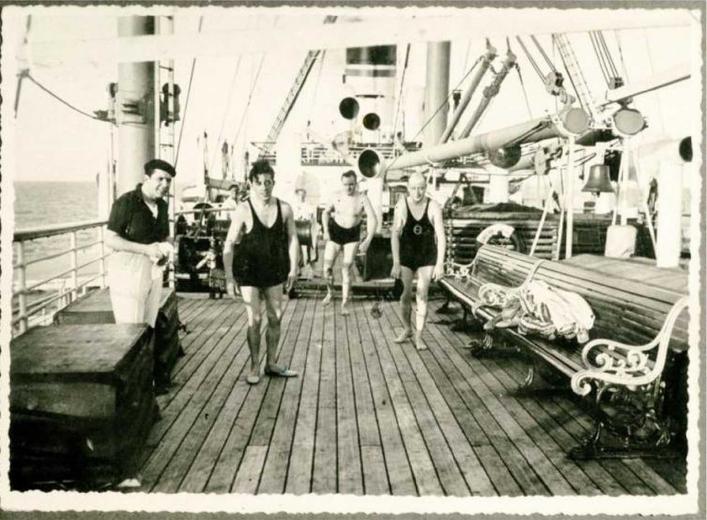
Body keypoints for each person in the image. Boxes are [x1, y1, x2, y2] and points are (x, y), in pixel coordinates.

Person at [223, 160, 299, 385]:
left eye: (268, 182)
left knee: (275, 318)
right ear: (251, 184)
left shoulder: (285, 208)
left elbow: (293, 238)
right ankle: (255, 365)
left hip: (274, 269)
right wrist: (229, 277)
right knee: (254, 319)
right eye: (259, 183)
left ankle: (271, 363)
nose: (264, 187)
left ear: (273, 183)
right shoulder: (243, 209)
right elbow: (229, 244)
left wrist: (294, 267)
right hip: (249, 272)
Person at [105, 158, 175, 329]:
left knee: (148, 323)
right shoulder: (127, 202)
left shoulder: (162, 206)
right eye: (160, 179)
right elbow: (110, 239)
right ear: (146, 178)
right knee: (130, 326)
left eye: (168, 180)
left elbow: (164, 236)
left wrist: (166, 249)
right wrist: (146, 249)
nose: (165, 184)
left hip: (154, 269)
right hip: (128, 269)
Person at [390, 172, 446, 350]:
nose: (417, 192)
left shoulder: (433, 206)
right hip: (407, 255)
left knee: (422, 294)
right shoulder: (402, 205)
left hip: (426, 255)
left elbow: (441, 236)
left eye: (421, 188)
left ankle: (419, 336)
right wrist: (396, 262)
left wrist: (440, 263)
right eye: (413, 188)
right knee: (405, 294)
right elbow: (394, 235)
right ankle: (407, 328)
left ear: (425, 188)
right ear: (408, 188)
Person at [321, 170, 377, 315]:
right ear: (342, 184)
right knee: (327, 268)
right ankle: (330, 292)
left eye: (351, 184)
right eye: (346, 184)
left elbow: (373, 218)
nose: (348, 187)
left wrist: (368, 239)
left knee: (346, 269)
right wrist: (325, 230)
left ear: (356, 183)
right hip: (335, 233)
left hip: (352, 235)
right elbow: (325, 213)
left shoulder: (362, 198)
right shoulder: (336, 196)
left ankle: (345, 303)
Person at [292, 187, 318, 276]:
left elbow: (311, 217)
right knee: (296, 248)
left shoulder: (308, 205)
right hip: (297, 228)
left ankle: (313, 270)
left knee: (312, 247)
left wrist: (306, 219)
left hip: (307, 228)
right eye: (299, 195)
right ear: (297, 195)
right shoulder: (293, 206)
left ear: (305, 195)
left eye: (303, 195)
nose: (301, 197)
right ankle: (298, 269)